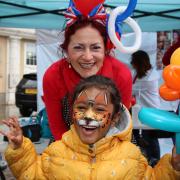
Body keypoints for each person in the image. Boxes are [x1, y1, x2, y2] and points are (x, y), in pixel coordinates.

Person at [0, 75, 180, 179]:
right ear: (72, 112)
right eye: (81, 108)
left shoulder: (131, 155)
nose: (88, 116)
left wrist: (173, 167)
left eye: (100, 109)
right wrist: (20, 149)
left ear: (115, 118)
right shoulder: (55, 152)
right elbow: (30, 174)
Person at [43, 5, 132, 141]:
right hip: (67, 144)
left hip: (112, 145)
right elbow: (57, 128)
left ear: (106, 50)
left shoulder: (121, 75)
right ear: (66, 51)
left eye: (95, 48)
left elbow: (121, 126)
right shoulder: (53, 76)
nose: (88, 57)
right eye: (78, 48)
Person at [130, 50, 162, 165]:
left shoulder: (149, 79)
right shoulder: (139, 74)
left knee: (150, 138)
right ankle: (148, 159)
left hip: (152, 112)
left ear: (138, 62)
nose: (131, 63)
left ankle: (155, 161)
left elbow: (131, 89)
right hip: (143, 111)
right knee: (143, 136)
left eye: (133, 61)